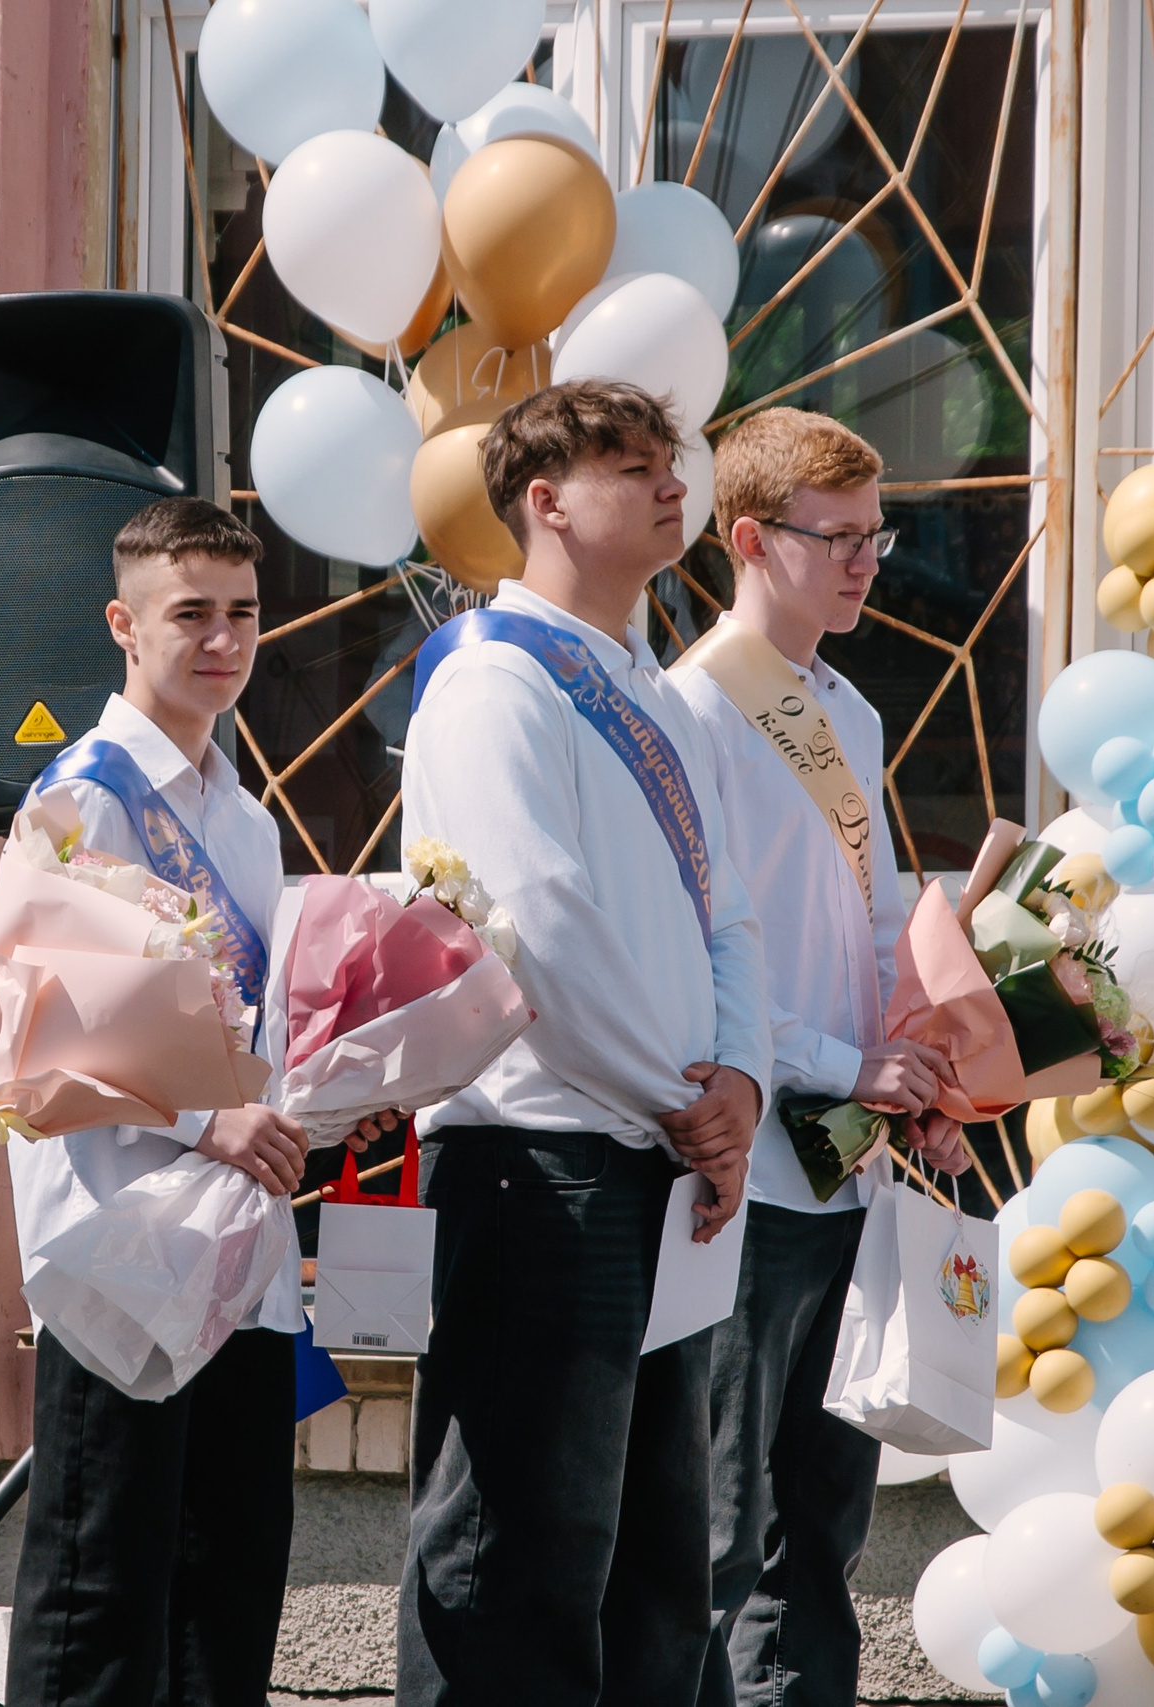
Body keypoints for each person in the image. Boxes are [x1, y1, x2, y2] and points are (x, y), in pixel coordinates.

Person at [395, 378, 773, 1706]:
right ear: (545, 500)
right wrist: (684, 1094)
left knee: (652, 1562)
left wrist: (741, 1080)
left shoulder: (658, 698)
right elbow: (529, 922)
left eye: (674, 461)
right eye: (632, 465)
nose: (676, 485)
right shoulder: (495, 678)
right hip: (539, 1155)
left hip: (660, 1155)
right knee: (518, 1555)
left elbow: (730, 915)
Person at [669, 407, 970, 1707]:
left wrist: (927, 1067)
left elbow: (868, 924)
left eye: (877, 537)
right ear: (749, 537)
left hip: (847, 1167)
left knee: (824, 1535)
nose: (867, 566)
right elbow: (699, 968)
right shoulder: (693, 712)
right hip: (745, 1178)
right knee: (719, 1532)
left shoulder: (849, 707)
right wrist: (848, 1063)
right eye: (837, 538)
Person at [1, 496, 310, 1707]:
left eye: (242, 613)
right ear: (123, 623)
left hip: (236, 1242)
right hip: (122, 1239)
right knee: (101, 1591)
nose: (223, 639)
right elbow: (36, 1024)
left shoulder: (241, 812)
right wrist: (201, 1121)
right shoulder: (85, 793)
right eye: (192, 613)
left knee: (226, 1583)